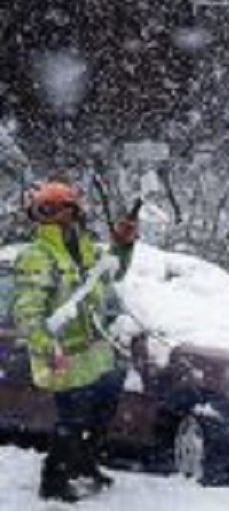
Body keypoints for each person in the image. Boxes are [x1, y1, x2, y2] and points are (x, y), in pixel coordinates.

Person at [12, 180, 138, 502]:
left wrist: (122, 246)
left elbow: (112, 274)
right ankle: (53, 480)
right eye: (46, 208)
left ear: (73, 211)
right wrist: (48, 346)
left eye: (59, 207)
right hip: (63, 355)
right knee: (72, 420)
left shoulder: (84, 247)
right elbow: (27, 313)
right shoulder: (37, 256)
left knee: (102, 413)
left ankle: (85, 465)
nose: (52, 214)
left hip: (94, 352)